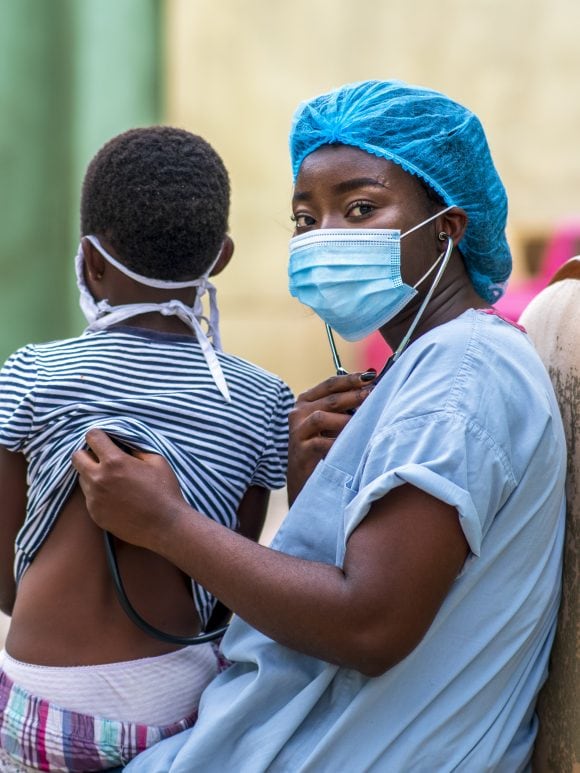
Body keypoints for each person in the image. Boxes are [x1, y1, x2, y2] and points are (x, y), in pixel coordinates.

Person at [73, 81, 566, 772]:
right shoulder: (420, 369)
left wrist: (166, 523)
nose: (324, 237)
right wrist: (313, 491)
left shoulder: (462, 373)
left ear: (448, 227)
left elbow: (370, 623)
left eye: (360, 208)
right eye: (306, 219)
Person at [0, 126, 294, 771]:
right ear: (220, 257)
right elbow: (224, 581)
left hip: (38, 700)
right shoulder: (263, 398)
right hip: (176, 710)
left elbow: (4, 568)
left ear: (90, 260)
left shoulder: (30, 373)